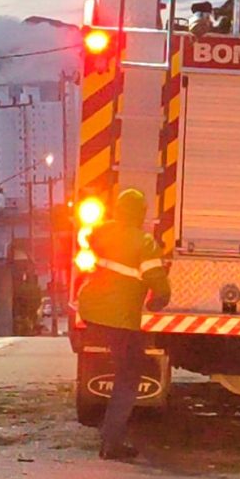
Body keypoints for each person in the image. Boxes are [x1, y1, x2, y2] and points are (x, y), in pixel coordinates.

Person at [76, 188, 170, 460]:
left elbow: (90, 237)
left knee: (123, 367)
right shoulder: (145, 243)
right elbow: (157, 281)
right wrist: (159, 300)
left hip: (91, 311)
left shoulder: (103, 232)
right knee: (130, 374)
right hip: (119, 318)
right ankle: (112, 441)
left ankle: (109, 430)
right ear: (140, 214)